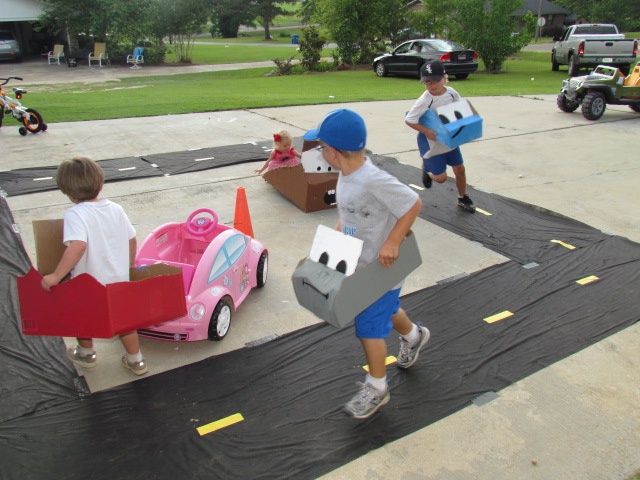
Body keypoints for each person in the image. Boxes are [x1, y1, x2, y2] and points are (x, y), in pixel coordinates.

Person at [304, 109, 429, 419]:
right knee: (385, 309)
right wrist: (332, 243)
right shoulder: (346, 175)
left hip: (382, 268)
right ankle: (414, 336)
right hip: (361, 264)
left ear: (333, 151)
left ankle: (377, 388)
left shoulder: (373, 178)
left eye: (321, 147)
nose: (320, 152)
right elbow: (350, 215)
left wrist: (393, 241)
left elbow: (413, 202)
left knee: (369, 329)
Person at [41, 156, 148, 376]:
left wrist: (56, 275)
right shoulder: (116, 208)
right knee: (125, 322)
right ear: (100, 183)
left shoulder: (75, 214)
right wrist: (128, 265)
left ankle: (86, 353)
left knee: (83, 318)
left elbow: (78, 245)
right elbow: (131, 239)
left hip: (89, 283)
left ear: (68, 192)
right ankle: (136, 360)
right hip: (118, 280)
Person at [405, 60, 476, 213]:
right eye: (427, 82)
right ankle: (427, 168)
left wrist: (466, 123)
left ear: (445, 78)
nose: (432, 85)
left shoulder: (451, 93)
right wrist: (426, 131)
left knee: (459, 169)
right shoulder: (425, 100)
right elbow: (409, 120)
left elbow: (460, 108)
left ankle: (462, 197)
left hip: (448, 137)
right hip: (430, 140)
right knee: (441, 178)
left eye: (436, 80)